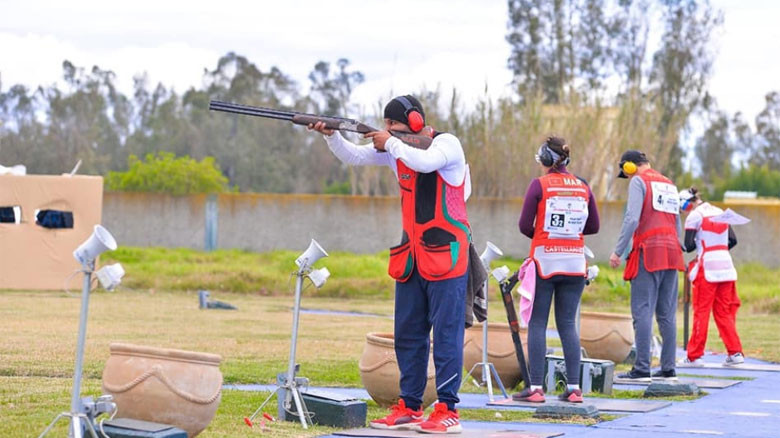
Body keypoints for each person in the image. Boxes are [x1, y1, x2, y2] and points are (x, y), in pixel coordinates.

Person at [310, 95, 470, 434]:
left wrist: (391, 143)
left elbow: (425, 163)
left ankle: (448, 409)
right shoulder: (399, 150)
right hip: (411, 257)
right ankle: (410, 406)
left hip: (447, 256)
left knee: (446, 336)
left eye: (392, 125)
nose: (387, 131)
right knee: (408, 335)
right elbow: (354, 156)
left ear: (414, 123)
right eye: (385, 126)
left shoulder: (447, 144)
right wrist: (331, 135)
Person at [512, 137, 600, 403]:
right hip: (575, 262)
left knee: (538, 322)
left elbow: (524, 225)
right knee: (567, 324)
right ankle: (574, 388)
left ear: (546, 159)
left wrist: (543, 235)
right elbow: (594, 226)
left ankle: (536, 388)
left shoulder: (539, 185)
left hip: (545, 261)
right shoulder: (583, 185)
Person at [609, 150, 684, 381]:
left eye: (626, 173)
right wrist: (676, 246)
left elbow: (632, 218)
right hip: (672, 252)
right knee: (667, 314)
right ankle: (668, 368)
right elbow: (677, 222)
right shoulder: (669, 184)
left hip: (649, 251)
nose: (628, 178)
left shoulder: (638, 181)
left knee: (642, 311)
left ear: (630, 167)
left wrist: (618, 251)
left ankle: (642, 368)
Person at [679, 187, 745, 366]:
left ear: (685, 204)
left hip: (707, 267)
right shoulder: (720, 211)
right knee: (724, 312)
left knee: (701, 312)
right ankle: (735, 353)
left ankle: (694, 356)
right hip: (726, 266)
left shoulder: (694, 216)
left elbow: (688, 246)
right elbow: (733, 240)